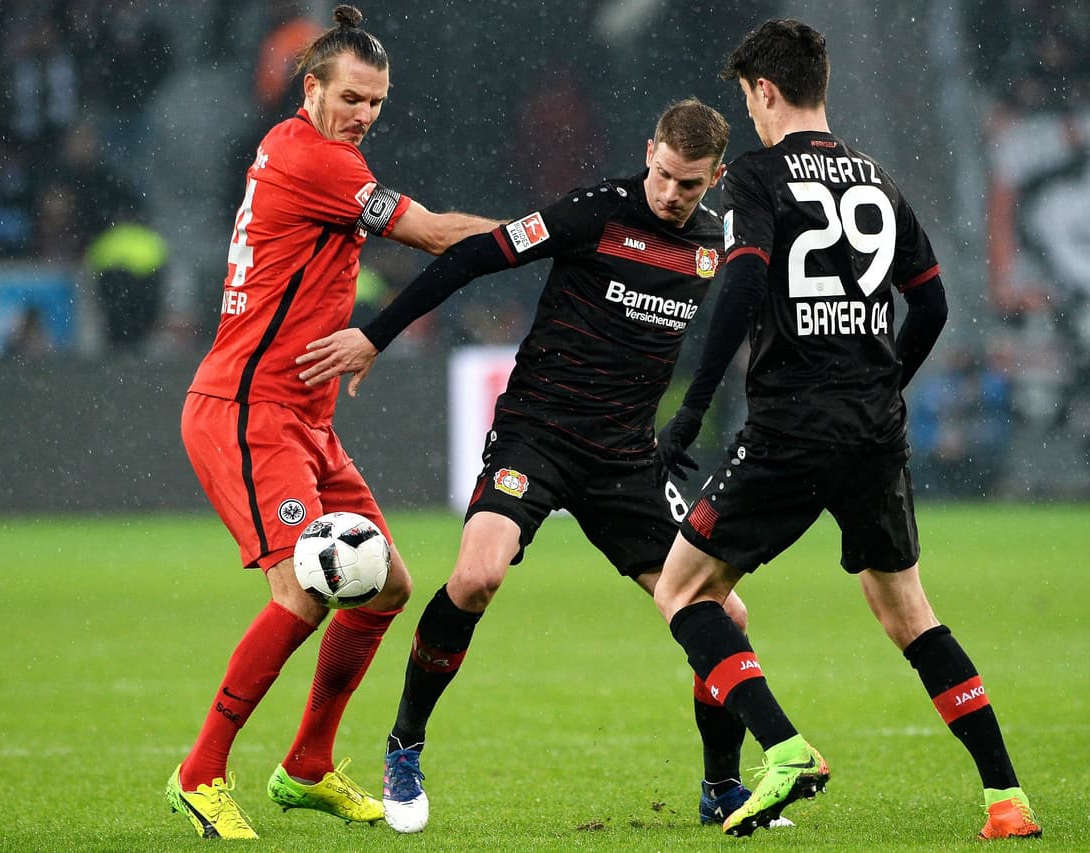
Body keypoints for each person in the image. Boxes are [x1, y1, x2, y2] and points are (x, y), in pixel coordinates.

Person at [297, 98, 785, 834]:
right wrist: (376, 335)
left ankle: (721, 785)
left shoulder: (717, 245)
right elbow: (470, 256)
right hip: (538, 436)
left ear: (714, 177)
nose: (669, 194)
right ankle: (404, 743)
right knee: (476, 576)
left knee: (725, 612)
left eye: (688, 184)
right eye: (661, 174)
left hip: (626, 459)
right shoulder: (594, 212)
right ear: (647, 149)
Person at [650, 19, 1042, 840]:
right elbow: (930, 304)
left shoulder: (756, 176)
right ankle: (1005, 798)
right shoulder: (877, 179)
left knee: (684, 588)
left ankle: (782, 747)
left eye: (748, 99)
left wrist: (690, 407)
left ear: (764, 91)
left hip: (791, 428)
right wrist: (879, 382)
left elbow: (745, 284)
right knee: (908, 610)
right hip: (874, 430)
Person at [167, 6, 499, 840]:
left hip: (304, 418)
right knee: (306, 588)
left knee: (385, 585)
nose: (364, 115)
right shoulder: (313, 158)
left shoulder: (316, 152)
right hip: (248, 410)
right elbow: (429, 235)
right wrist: (553, 235)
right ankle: (199, 773)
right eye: (352, 97)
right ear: (309, 88)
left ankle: (307, 764)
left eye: (377, 103)